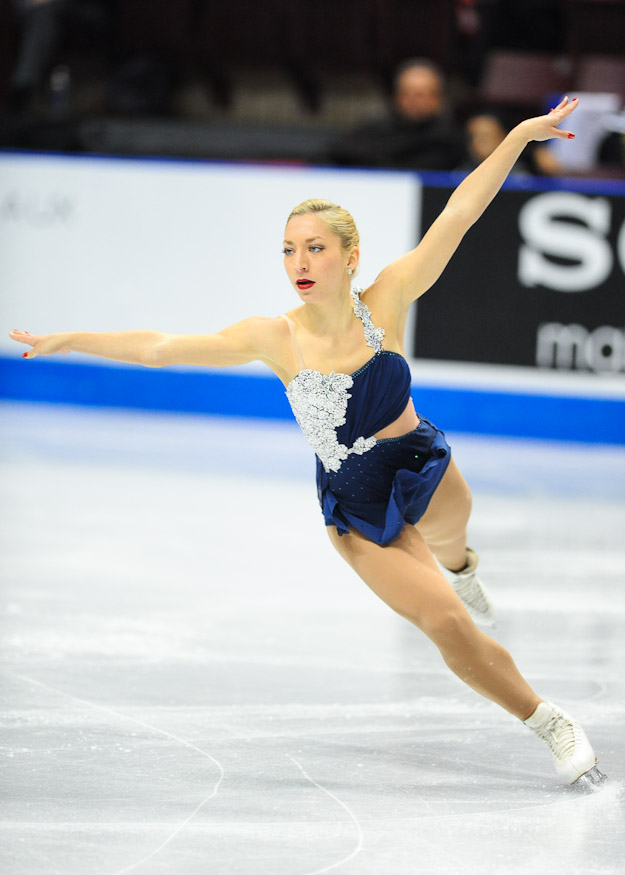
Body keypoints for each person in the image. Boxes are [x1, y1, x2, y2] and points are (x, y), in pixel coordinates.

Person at [9, 97, 606, 788]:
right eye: (289, 248)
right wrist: (70, 338)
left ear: (350, 257)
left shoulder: (388, 296)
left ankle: (464, 564)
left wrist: (518, 136)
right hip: (355, 502)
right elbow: (162, 347)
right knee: (443, 619)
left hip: (421, 463)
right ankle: (547, 719)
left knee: (453, 547)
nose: (299, 260)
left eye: (314, 247)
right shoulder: (274, 335)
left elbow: (462, 212)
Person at [326, 58, 466, 171]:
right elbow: (339, 152)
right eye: (405, 93)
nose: (412, 101)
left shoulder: (448, 139)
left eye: (419, 95)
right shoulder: (376, 129)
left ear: (437, 98)